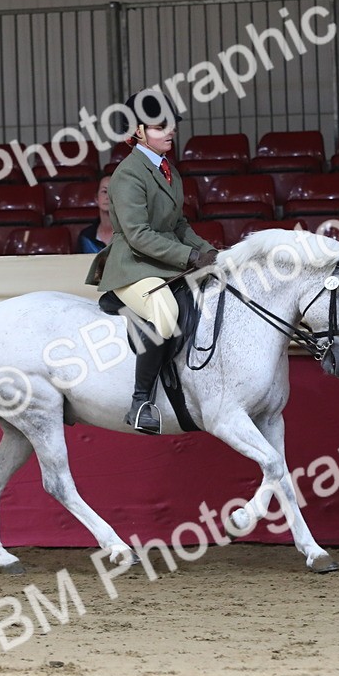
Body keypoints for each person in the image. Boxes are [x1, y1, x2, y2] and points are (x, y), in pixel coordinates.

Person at [84, 90, 218, 434]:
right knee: (165, 312)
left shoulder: (169, 169)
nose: (170, 131)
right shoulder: (127, 175)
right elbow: (138, 234)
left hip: (164, 263)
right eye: (161, 126)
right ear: (139, 131)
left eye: (171, 125)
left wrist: (213, 252)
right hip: (133, 266)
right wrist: (190, 256)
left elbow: (178, 225)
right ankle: (140, 401)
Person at [76, 176, 113, 254]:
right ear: (96, 199)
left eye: (113, 191)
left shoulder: (129, 235)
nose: (108, 197)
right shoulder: (86, 237)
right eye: (104, 191)